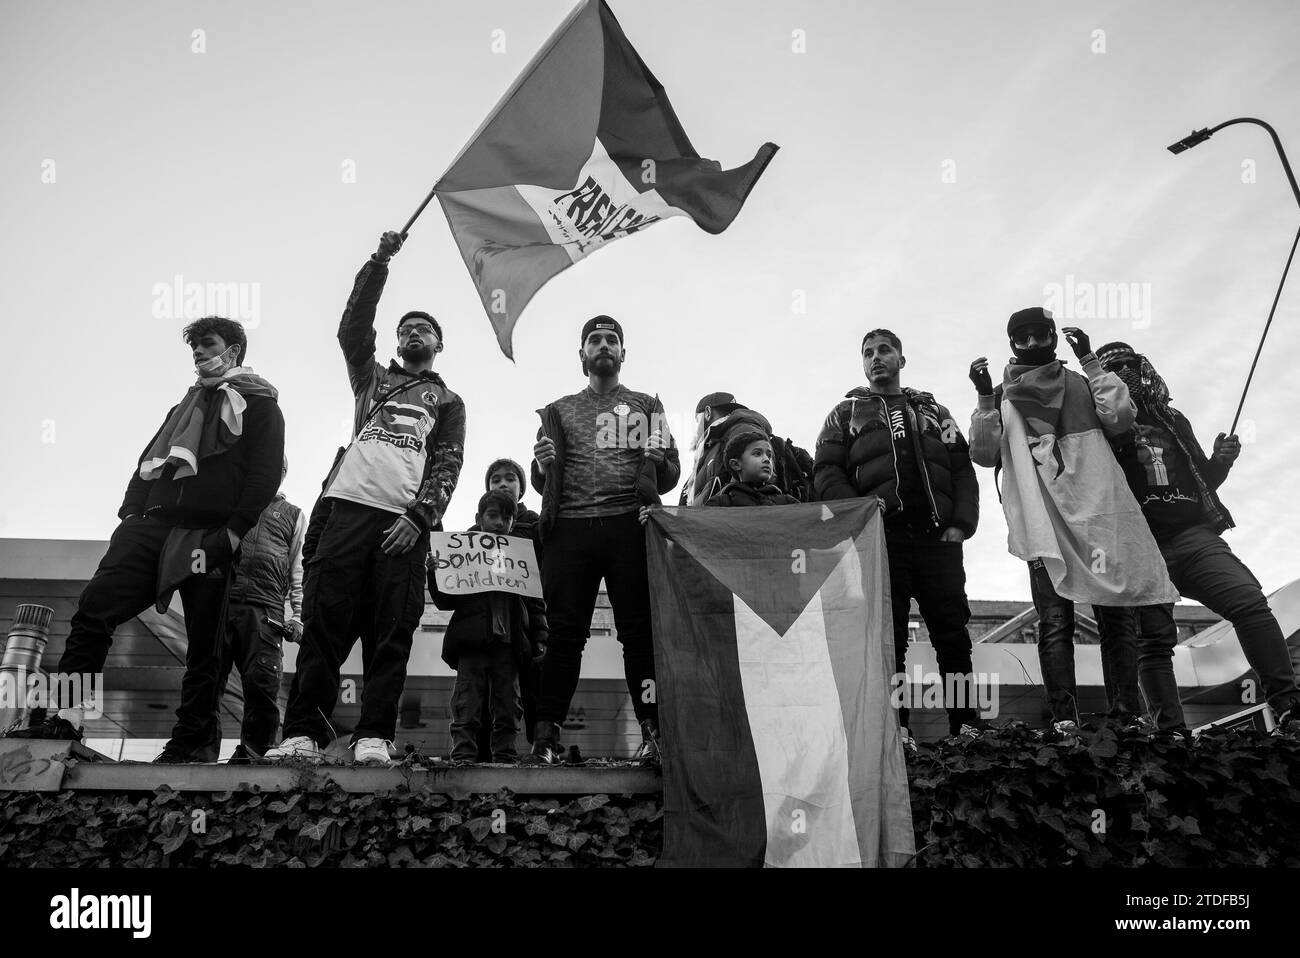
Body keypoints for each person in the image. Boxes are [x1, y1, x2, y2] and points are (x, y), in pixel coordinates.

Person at [10, 317, 285, 764]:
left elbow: (265, 473)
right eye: (194, 347)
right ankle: (66, 716)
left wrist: (233, 532)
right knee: (94, 611)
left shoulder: (261, 406)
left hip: (208, 537)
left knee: (206, 649)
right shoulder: (183, 406)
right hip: (150, 529)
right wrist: (130, 516)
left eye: (207, 344)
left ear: (233, 350)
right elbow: (146, 463)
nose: (198, 353)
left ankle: (190, 744)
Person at [266, 230, 466, 766]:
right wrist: (379, 262)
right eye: (405, 329)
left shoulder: (448, 400)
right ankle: (302, 733)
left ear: (438, 344)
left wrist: (421, 517)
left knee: (391, 634)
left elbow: (448, 463)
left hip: (403, 525)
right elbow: (352, 328)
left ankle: (375, 734)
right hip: (345, 511)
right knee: (324, 629)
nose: (413, 333)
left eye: (423, 328)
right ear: (397, 344)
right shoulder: (371, 379)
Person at [967, 309, 1183, 736]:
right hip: (1042, 519)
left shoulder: (1080, 383)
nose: (1032, 344)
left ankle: (1127, 714)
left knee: (1116, 613)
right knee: (1054, 621)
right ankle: (1064, 719)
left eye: (1039, 334)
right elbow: (984, 453)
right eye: (1022, 337)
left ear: (1053, 336)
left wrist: (1090, 361)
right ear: (1012, 343)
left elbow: (1120, 418)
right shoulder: (1002, 397)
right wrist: (984, 398)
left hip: (1098, 513)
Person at [1095, 341, 1300, 732]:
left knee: (1250, 604)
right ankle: (1171, 733)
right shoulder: (1097, 425)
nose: (1122, 373)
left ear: (1143, 368)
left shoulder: (1172, 418)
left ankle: (1288, 706)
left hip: (1194, 535)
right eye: (1111, 369)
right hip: (1142, 546)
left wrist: (1220, 461)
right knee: (1154, 641)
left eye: (1128, 364)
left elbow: (1201, 481)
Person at [814, 328, 980, 748]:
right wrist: (861, 514)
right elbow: (826, 471)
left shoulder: (935, 411)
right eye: (868, 352)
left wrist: (961, 524)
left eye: (884, 350)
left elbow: (961, 466)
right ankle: (896, 730)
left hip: (938, 539)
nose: (876, 358)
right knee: (890, 640)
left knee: (952, 635)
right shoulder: (844, 414)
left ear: (901, 360)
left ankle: (967, 728)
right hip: (882, 541)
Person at [527, 316, 680, 766]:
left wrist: (659, 458)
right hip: (569, 531)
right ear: (582, 355)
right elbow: (543, 484)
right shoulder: (557, 411)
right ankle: (545, 738)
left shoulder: (647, 406)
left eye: (612, 339)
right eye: (594, 340)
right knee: (562, 636)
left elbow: (671, 473)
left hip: (628, 526)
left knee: (639, 635)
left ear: (623, 353)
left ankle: (653, 734)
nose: (604, 345)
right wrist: (540, 465)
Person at [429, 491, 549, 765]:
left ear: (513, 521)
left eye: (506, 518)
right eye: (492, 516)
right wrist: (434, 573)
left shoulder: (520, 557)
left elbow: (535, 603)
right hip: (472, 645)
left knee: (508, 704)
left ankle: (505, 756)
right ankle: (463, 756)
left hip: (510, 646)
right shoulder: (463, 552)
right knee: (467, 702)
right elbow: (445, 601)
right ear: (479, 518)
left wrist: (540, 637)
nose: (499, 523)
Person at [216, 456, 305, 763]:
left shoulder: (292, 514)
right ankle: (198, 748)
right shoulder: (230, 504)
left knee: (262, 685)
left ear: (282, 474)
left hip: (266, 612)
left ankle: (255, 753)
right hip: (221, 605)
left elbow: (299, 569)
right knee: (207, 680)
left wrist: (298, 616)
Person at [470, 457, 543, 760]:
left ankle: (541, 748)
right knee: (488, 692)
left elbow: (543, 580)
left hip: (526, 623)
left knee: (533, 688)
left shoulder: (535, 525)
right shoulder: (472, 535)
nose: (503, 483)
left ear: (522, 488)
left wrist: (541, 631)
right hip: (489, 629)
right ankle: (483, 754)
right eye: (496, 479)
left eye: (510, 478)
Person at [680, 392, 814, 505]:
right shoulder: (715, 443)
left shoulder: (741, 428)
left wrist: (733, 509)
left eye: (697, 420)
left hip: (734, 522)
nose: (696, 428)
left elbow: (758, 484)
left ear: (708, 413)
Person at [702, 430, 801, 507]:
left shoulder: (788, 503)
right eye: (757, 453)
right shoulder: (720, 504)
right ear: (736, 465)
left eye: (769, 455)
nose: (767, 460)